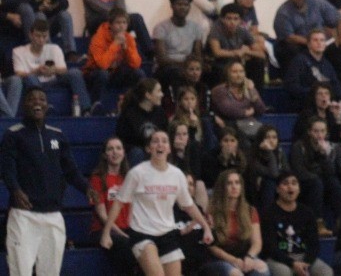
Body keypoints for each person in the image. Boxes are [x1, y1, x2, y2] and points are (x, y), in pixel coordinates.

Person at [0, 87, 101, 276]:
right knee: (20, 271)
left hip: (53, 215)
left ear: (47, 105)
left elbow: (70, 170)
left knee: (51, 272)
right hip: (24, 216)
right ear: (24, 104)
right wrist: (15, 189)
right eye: (32, 99)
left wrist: (86, 187)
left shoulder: (57, 135)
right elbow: (7, 169)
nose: (37, 102)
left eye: (42, 99)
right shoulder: (13, 135)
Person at [100, 129, 214, 276]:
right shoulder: (137, 173)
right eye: (155, 141)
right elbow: (119, 203)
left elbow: (189, 206)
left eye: (164, 141)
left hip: (167, 233)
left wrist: (206, 227)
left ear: (169, 148)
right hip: (142, 233)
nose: (160, 144)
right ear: (149, 148)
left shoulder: (177, 174)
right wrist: (106, 232)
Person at [284, 28, 341, 120]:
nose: (319, 43)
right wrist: (317, 94)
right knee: (336, 109)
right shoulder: (299, 61)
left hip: (330, 100)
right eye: (315, 40)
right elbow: (292, 87)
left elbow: (335, 85)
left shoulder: (327, 64)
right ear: (308, 44)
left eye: (322, 40)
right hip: (308, 102)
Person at [260, 172, 333, 276]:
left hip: (303, 257)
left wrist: (306, 263)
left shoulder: (307, 213)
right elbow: (270, 248)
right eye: (285, 183)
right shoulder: (269, 213)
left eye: (294, 183)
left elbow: (314, 245)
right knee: (283, 272)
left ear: (298, 189)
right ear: (277, 189)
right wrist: (292, 263)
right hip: (278, 259)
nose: (290, 186)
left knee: (326, 271)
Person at [13, 18, 88, 114]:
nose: (41, 40)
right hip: (33, 83)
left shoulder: (54, 48)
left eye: (44, 36)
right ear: (30, 35)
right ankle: (45, 107)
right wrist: (37, 71)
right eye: (38, 36)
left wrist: (54, 70)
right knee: (30, 77)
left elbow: (63, 69)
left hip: (53, 80)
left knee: (75, 72)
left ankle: (86, 109)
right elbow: (18, 74)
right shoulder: (18, 51)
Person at [203, 170, 271, 276]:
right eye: (229, 183)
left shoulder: (250, 211)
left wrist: (249, 257)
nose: (234, 187)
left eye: (237, 183)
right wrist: (233, 260)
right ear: (222, 187)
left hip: (244, 255)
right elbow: (211, 246)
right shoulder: (212, 211)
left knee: (262, 269)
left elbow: (257, 242)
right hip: (219, 258)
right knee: (236, 274)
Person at [289, 118, 341, 236]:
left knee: (334, 182)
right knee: (316, 183)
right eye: (316, 131)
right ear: (309, 132)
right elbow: (298, 171)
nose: (319, 135)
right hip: (304, 182)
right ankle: (318, 223)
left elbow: (331, 172)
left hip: (320, 181)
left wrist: (324, 154)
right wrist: (315, 177)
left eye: (322, 131)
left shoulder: (329, 146)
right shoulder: (299, 146)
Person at [272, 0, 341, 74]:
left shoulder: (318, 3)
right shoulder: (283, 12)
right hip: (297, 45)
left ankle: (338, 85)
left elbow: (338, 18)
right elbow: (290, 37)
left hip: (319, 42)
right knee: (291, 50)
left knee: (339, 53)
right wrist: (313, 43)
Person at [90, 136, 136, 273]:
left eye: (118, 148)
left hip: (127, 229)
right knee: (126, 244)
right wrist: (123, 234)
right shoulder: (97, 178)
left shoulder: (130, 177)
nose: (115, 152)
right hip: (104, 229)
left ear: (123, 153)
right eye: (110, 149)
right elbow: (103, 215)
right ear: (105, 155)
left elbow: (134, 211)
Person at [85, 8, 146, 108]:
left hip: (115, 73)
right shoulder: (98, 38)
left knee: (139, 73)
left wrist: (126, 49)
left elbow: (136, 64)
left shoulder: (128, 38)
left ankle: (138, 106)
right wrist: (115, 44)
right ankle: (95, 105)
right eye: (118, 22)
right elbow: (102, 65)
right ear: (110, 24)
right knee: (102, 73)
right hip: (94, 73)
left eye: (124, 22)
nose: (122, 26)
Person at [153, 0, 205, 92]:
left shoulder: (196, 28)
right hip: (168, 67)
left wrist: (193, 67)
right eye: (179, 4)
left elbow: (197, 55)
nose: (183, 7)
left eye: (186, 4)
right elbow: (162, 59)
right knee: (175, 72)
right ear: (172, 6)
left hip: (189, 66)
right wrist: (186, 65)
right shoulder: (161, 27)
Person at [208, 4, 267, 88]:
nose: (232, 22)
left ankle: (257, 93)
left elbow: (262, 54)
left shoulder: (242, 32)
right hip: (220, 64)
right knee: (221, 68)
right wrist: (236, 53)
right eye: (229, 18)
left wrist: (246, 51)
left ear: (240, 20)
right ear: (222, 19)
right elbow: (217, 52)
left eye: (236, 19)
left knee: (258, 62)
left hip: (237, 65)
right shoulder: (216, 30)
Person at [117, 78, 170, 165]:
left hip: (157, 150)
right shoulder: (129, 115)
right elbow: (123, 142)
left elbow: (166, 135)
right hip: (138, 154)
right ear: (148, 95)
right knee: (137, 152)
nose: (162, 94)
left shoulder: (160, 113)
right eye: (159, 91)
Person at [211, 59, 267, 138]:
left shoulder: (249, 88)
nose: (239, 75)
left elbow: (261, 109)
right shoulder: (219, 90)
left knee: (267, 134)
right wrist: (246, 112)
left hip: (249, 124)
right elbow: (229, 110)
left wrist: (252, 91)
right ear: (227, 74)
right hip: (229, 126)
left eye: (241, 71)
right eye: (235, 72)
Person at [250, 124, 288, 211]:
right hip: (258, 191)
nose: (271, 141)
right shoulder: (254, 155)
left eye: (274, 137)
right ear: (261, 140)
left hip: (278, 186)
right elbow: (274, 173)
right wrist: (269, 152)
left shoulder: (280, 152)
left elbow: (287, 172)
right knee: (269, 182)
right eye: (267, 137)